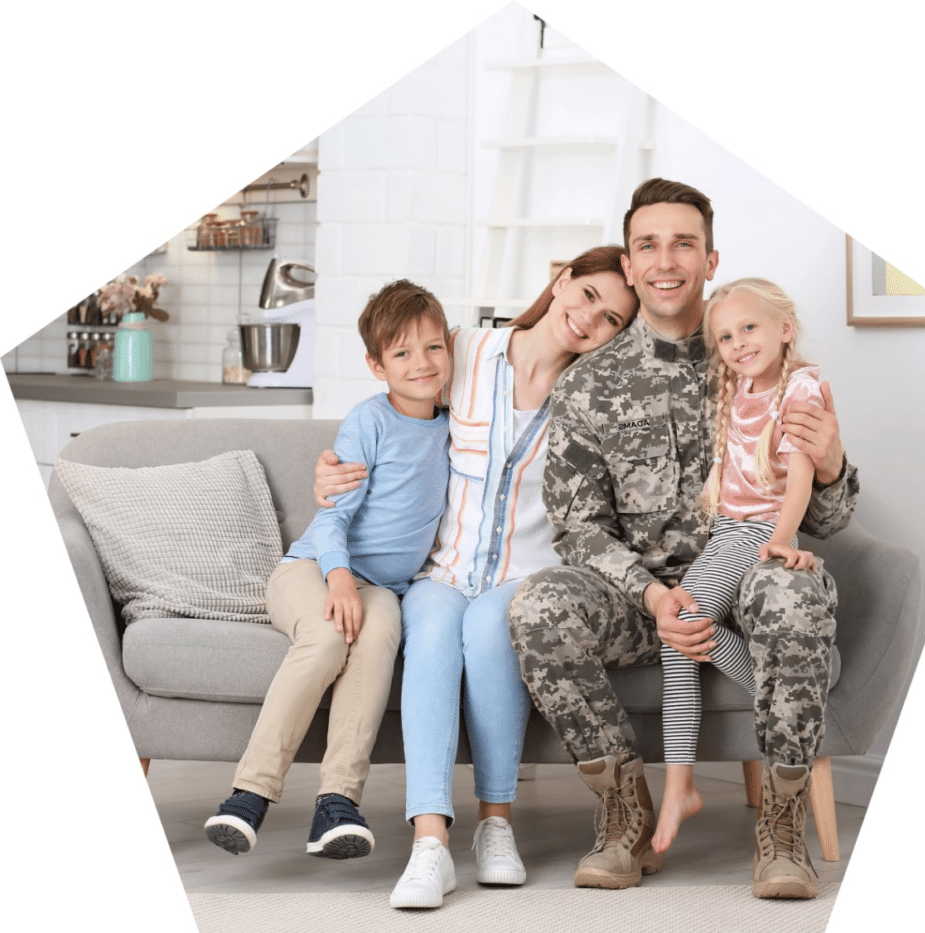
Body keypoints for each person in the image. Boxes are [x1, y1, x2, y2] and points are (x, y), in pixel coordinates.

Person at [506, 178, 858, 899]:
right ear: (630, 266)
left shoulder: (752, 352)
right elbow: (579, 526)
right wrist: (655, 594)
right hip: (644, 603)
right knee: (538, 606)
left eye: (684, 243)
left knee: (793, 593)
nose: (666, 260)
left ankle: (783, 828)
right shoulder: (590, 383)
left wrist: (830, 469)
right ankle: (623, 809)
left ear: (710, 257)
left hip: (750, 580)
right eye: (648, 245)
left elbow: (825, 521)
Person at [313, 245, 639, 909]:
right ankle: (429, 843)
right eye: (586, 296)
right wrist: (335, 472)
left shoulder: (592, 401)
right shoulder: (464, 349)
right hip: (443, 569)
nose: (588, 320)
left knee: (492, 630)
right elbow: (394, 412)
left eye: (610, 319)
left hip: (526, 578)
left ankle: (496, 825)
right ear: (560, 280)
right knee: (431, 630)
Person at [203, 280, 452, 863]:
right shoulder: (368, 422)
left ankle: (337, 804)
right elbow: (334, 516)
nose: (422, 363)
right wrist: (339, 578)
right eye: (402, 353)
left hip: (385, 588)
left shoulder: (457, 423)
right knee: (323, 643)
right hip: (314, 566)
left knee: (374, 645)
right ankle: (249, 794)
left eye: (434, 347)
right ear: (375, 364)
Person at [653, 277, 824, 857]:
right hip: (726, 532)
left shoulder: (801, 386)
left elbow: (799, 476)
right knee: (682, 629)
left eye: (749, 327)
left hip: (755, 536)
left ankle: (680, 786)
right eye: (725, 336)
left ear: (784, 326)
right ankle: (789, 695)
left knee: (679, 624)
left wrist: (779, 540)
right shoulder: (740, 384)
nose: (737, 342)